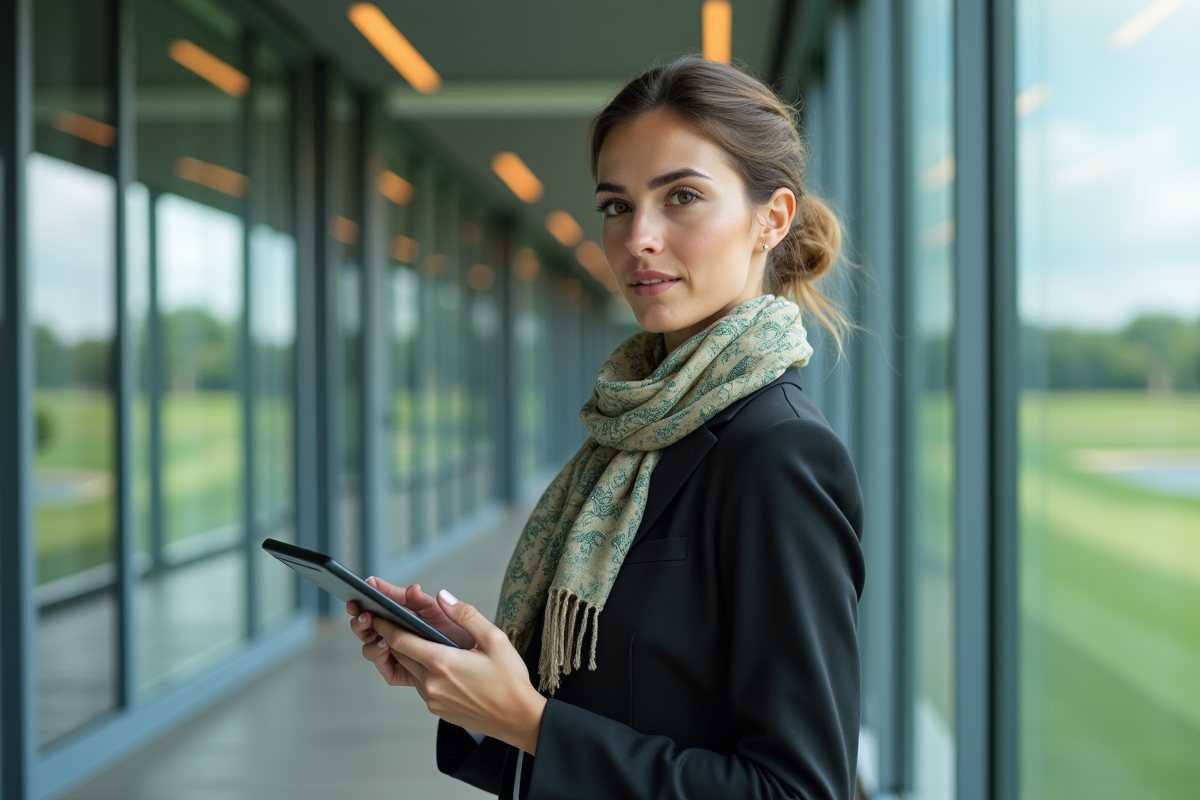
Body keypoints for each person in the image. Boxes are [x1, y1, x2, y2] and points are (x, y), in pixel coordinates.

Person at [346, 55, 865, 800]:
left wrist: (530, 722)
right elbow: (619, 694)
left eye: (681, 196)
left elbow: (796, 789)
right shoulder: (632, 433)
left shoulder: (778, 452)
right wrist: (472, 673)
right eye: (616, 206)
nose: (637, 238)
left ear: (771, 219)